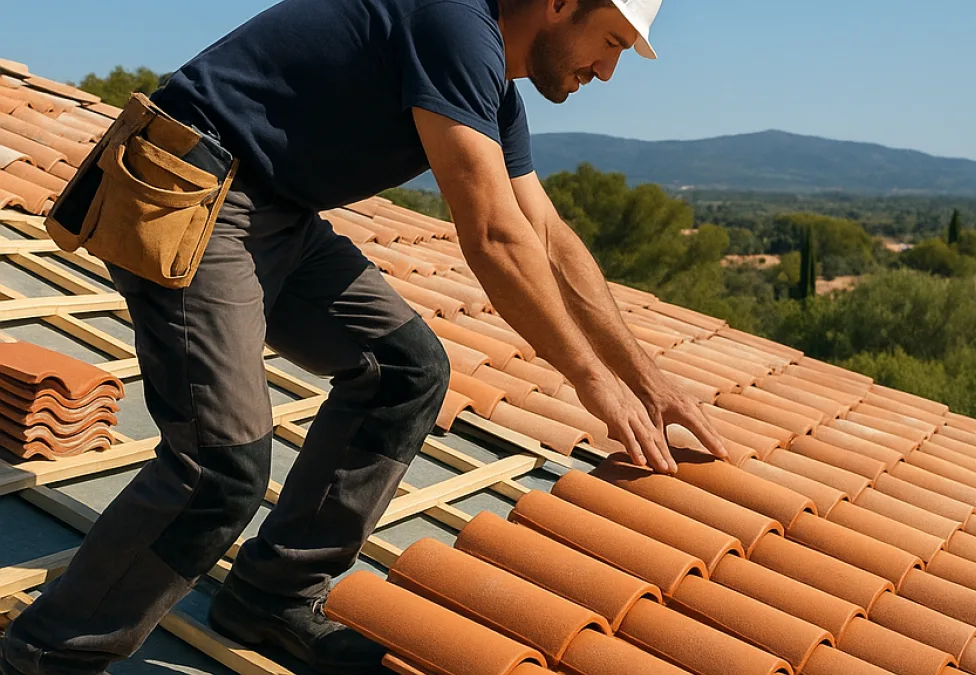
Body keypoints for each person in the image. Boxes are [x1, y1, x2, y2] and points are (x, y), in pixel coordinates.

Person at [2, 0, 727, 673]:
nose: (607, 70)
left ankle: (273, 594)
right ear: (561, 2)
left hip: (275, 212)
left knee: (406, 370)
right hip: (192, 186)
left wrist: (645, 376)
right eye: (611, 42)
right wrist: (589, 378)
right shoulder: (453, 22)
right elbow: (496, 238)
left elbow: (547, 236)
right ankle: (47, 654)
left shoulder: (490, 87)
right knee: (221, 464)